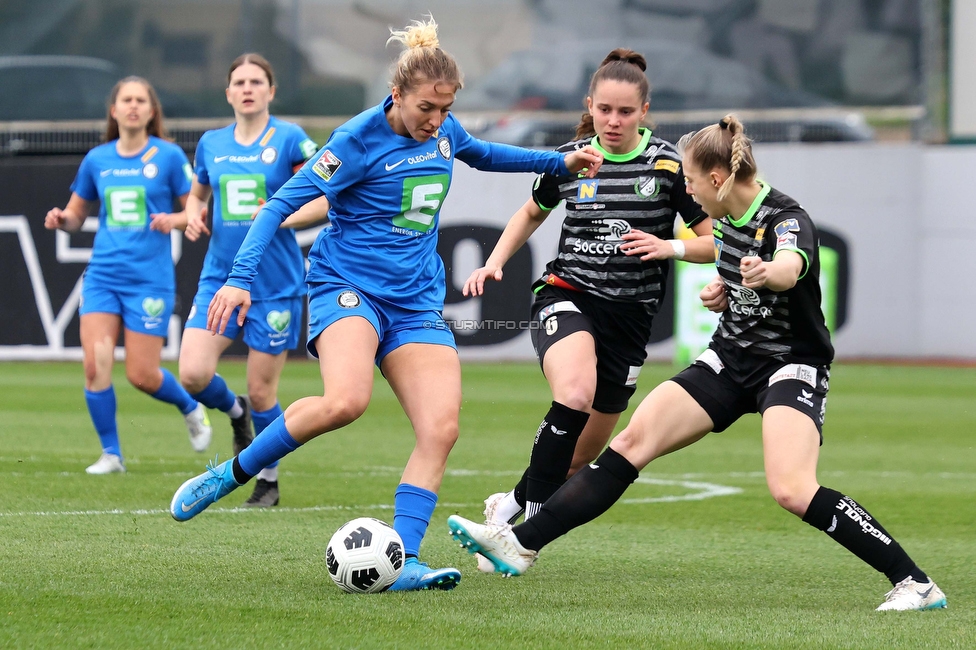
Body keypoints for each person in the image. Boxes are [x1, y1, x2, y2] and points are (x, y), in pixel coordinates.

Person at [168, 16, 604, 592]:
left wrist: (557, 162)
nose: (438, 120)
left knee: (440, 429)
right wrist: (238, 278)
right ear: (396, 95)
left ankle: (405, 561)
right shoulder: (354, 141)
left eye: (447, 108)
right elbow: (276, 208)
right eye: (427, 107)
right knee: (346, 401)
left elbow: (486, 153)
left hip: (416, 298)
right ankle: (232, 471)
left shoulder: (445, 133)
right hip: (345, 285)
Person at [447, 115, 948, 612]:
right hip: (729, 359)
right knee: (629, 444)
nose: (683, 189)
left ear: (715, 178)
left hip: (789, 365)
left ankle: (916, 583)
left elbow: (790, 268)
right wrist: (725, 290)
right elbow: (735, 271)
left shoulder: (785, 219)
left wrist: (766, 273)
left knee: (793, 489)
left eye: (687, 179)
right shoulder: (728, 218)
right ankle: (520, 543)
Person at [461, 49, 712, 545]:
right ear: (590, 106)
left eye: (624, 111)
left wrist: (671, 246)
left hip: (632, 320)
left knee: (579, 457)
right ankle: (525, 530)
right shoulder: (572, 159)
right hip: (568, 295)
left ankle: (506, 507)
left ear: (644, 111)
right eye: (604, 110)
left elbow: (714, 241)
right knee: (573, 393)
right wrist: (494, 262)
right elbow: (531, 213)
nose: (613, 121)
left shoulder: (667, 165)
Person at [178, 53, 326, 508]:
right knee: (193, 374)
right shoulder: (211, 144)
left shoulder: (289, 140)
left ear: (270, 91)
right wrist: (189, 214)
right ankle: (234, 410)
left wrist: (281, 219)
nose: (247, 88)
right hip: (219, 279)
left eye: (256, 81)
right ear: (228, 93)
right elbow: (198, 192)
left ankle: (268, 480)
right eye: (238, 81)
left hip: (275, 284)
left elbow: (323, 201)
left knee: (265, 390)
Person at [44, 76, 211, 474]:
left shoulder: (168, 156)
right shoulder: (97, 160)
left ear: (152, 112)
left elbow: (194, 210)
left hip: (149, 279)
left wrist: (172, 219)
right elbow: (76, 215)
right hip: (102, 276)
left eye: (141, 100)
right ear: (114, 111)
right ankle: (112, 454)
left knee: (142, 374)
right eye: (126, 100)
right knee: (94, 364)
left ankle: (191, 407)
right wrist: (62, 219)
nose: (133, 106)